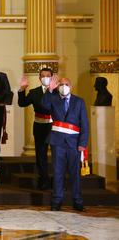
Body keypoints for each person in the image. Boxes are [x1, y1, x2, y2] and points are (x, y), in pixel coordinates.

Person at [42, 75, 89, 212]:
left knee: (75, 173)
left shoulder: (79, 102)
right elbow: (44, 106)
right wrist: (49, 91)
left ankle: (77, 201)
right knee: (58, 172)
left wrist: (83, 143)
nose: (63, 86)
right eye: (61, 84)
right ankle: (56, 201)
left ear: (71, 86)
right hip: (58, 142)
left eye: (66, 84)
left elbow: (84, 124)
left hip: (74, 143)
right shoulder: (53, 99)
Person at [18, 68, 53, 190]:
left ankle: (57, 181)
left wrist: (52, 90)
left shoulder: (57, 92)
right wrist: (22, 90)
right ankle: (44, 179)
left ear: (52, 77)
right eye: (42, 76)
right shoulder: (34, 92)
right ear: (39, 78)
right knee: (41, 154)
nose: (45, 78)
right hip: (39, 125)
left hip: (54, 126)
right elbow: (22, 103)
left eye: (48, 75)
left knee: (57, 154)